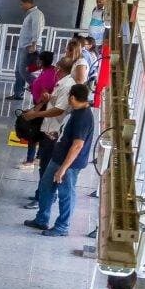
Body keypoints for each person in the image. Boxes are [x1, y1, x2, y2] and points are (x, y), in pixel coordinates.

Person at [26, 82, 94, 237]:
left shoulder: (83, 118)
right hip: (58, 157)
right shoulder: (77, 110)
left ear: (72, 97)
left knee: (66, 194)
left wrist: (63, 169)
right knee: (45, 186)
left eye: (69, 97)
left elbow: (77, 146)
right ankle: (42, 219)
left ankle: (62, 226)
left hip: (69, 164)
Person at [18, 52, 59, 169]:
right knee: (41, 131)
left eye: (38, 60)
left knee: (33, 133)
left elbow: (45, 96)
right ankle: (38, 157)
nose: (36, 62)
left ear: (41, 61)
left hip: (42, 107)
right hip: (42, 105)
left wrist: (35, 111)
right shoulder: (49, 71)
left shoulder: (48, 74)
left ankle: (30, 161)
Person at [9, 0, 46, 101]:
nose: (21, 7)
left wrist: (34, 45)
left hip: (30, 46)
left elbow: (37, 30)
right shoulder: (31, 14)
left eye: (22, 4)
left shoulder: (36, 14)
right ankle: (18, 93)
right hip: (24, 45)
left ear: (28, 3)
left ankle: (40, 87)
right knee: (18, 70)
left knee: (23, 70)